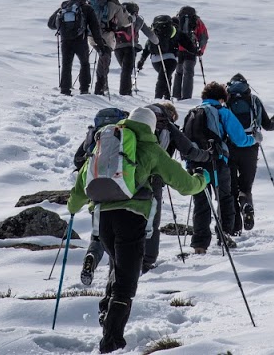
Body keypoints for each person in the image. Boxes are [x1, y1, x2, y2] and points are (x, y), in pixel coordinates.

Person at [68, 106, 209, 353]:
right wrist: (203, 179)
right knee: (126, 283)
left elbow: (81, 183)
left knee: (118, 270)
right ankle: (111, 341)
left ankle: (107, 314)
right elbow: (185, 185)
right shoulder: (151, 148)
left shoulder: (109, 140)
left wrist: (72, 205)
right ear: (151, 125)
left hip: (103, 219)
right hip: (131, 219)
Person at [183, 81, 254, 254]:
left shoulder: (192, 113)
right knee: (224, 199)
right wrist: (254, 139)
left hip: (195, 164)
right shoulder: (222, 112)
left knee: (201, 202)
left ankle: (199, 244)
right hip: (217, 162)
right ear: (222, 98)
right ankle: (224, 235)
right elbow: (240, 139)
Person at [142, 101, 210, 272]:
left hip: (126, 176)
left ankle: (120, 259)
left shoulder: (137, 120)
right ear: (170, 115)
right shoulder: (167, 125)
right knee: (152, 221)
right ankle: (147, 261)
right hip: (153, 179)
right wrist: (207, 156)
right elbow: (189, 150)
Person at [71, 107, 130, 287]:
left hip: (96, 194)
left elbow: (78, 160)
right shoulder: (123, 134)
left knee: (98, 236)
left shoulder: (95, 135)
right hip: (120, 193)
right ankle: (114, 277)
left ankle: (91, 258)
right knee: (119, 239)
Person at [224, 73, 274, 232]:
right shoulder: (254, 100)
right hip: (251, 147)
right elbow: (267, 125)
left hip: (229, 147)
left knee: (231, 189)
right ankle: (246, 206)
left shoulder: (226, 100)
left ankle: (235, 228)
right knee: (246, 187)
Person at [48, 0, 104, 95]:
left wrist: (64, 28)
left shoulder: (64, 7)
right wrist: (100, 44)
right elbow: (95, 28)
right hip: (80, 40)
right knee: (84, 63)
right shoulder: (87, 8)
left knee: (66, 64)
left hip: (65, 41)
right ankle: (84, 89)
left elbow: (50, 24)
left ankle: (65, 89)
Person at [91, 0, 132, 96]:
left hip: (91, 36)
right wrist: (130, 19)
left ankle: (101, 86)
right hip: (105, 37)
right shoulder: (115, 4)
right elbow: (124, 23)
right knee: (105, 58)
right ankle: (100, 88)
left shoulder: (97, 0)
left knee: (101, 57)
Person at [114, 1, 158, 96]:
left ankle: (126, 90)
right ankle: (125, 92)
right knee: (127, 69)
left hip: (117, 46)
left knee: (125, 69)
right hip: (131, 46)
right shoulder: (137, 19)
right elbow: (149, 33)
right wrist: (157, 41)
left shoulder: (117, 16)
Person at [137, 15, 179, 100]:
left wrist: (142, 60)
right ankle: (159, 98)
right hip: (170, 58)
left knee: (165, 76)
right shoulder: (173, 31)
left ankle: (165, 97)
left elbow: (147, 48)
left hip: (155, 60)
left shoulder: (156, 31)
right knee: (164, 77)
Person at [172, 5, 209, 101]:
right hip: (192, 50)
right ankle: (187, 97)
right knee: (188, 73)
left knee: (178, 72)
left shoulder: (177, 19)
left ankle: (176, 95)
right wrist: (201, 50)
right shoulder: (197, 21)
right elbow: (204, 36)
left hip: (178, 50)